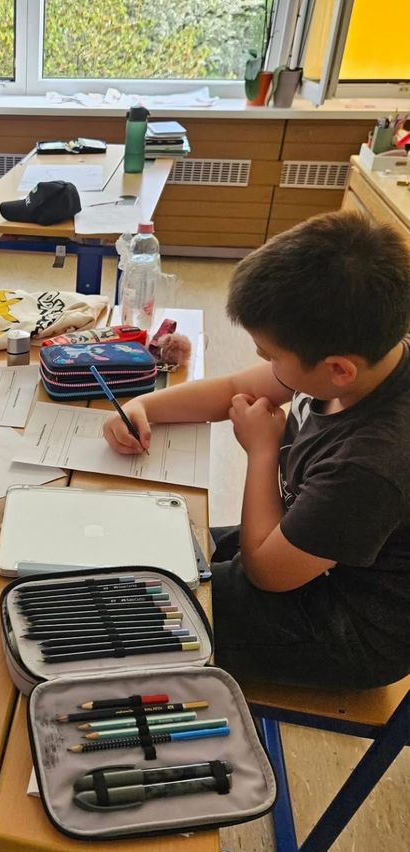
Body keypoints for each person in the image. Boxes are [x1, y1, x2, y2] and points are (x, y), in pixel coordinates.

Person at [103, 210, 410, 690]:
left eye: (269, 355)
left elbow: (268, 573)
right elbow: (234, 389)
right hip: (306, 549)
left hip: (348, 625)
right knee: (145, 545)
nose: (262, 364)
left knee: (134, 609)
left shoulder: (372, 464)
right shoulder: (362, 349)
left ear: (339, 370)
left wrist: (263, 451)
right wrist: (145, 405)